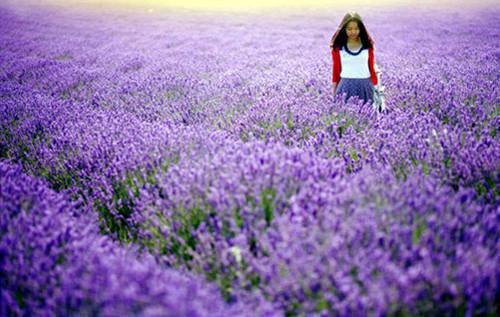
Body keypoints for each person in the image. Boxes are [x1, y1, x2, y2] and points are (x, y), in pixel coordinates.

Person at [330, 11, 378, 104]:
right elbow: (335, 72)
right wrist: (334, 93)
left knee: (367, 117)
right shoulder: (339, 48)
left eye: (356, 29)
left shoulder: (367, 46)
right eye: (349, 29)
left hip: (365, 86)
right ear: (344, 29)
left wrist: (376, 88)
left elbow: (371, 67)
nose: (353, 32)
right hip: (345, 87)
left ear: (361, 29)